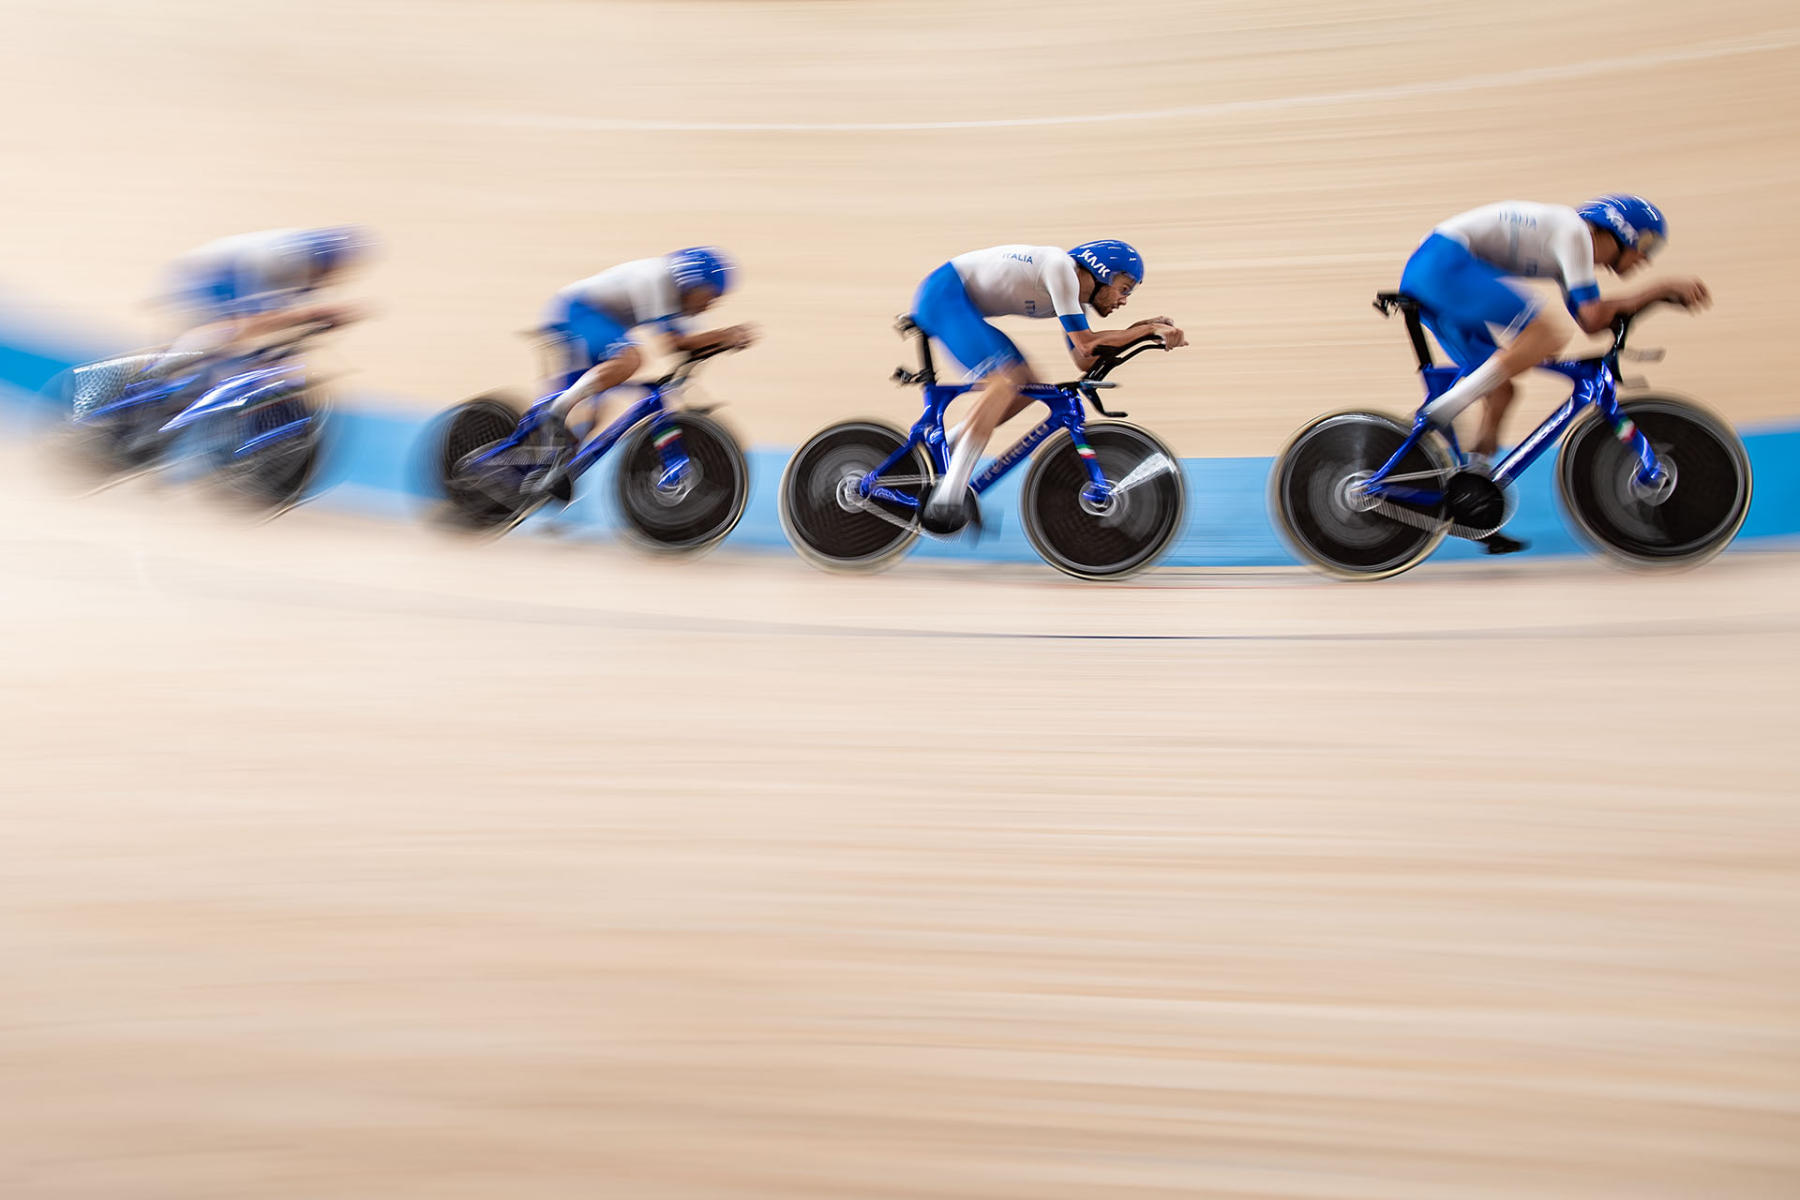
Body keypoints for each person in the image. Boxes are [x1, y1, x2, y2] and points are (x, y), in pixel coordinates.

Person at [1397, 195, 1710, 553]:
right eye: (1647, 247)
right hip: (1443, 265)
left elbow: (1591, 321)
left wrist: (1650, 301)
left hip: (1436, 269)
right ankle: (1445, 409)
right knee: (1546, 335)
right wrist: (1661, 290)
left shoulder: (1569, 251)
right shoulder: (1575, 232)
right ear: (1624, 231)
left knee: (1502, 391)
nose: (1645, 260)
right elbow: (1593, 317)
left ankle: (1469, 499)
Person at [910, 240, 1186, 533]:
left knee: (1026, 384)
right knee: (1005, 382)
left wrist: (1138, 334)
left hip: (958, 303)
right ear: (1103, 271)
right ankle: (949, 497)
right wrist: (1147, 330)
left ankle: (949, 443)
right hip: (944, 296)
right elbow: (1087, 342)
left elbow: (1084, 359)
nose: (1124, 300)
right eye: (1125, 288)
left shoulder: (1074, 297)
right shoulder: (1061, 269)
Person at [540, 247, 755, 450]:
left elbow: (691, 348)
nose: (710, 305)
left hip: (601, 325)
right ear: (693, 283)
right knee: (630, 359)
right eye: (710, 296)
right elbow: (674, 343)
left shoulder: (682, 301)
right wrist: (724, 336)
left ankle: (540, 467)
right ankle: (557, 409)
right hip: (579, 311)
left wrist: (720, 343)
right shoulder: (657, 278)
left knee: (585, 422)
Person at [166, 226, 372, 358]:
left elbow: (287, 315)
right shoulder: (282, 259)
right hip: (205, 279)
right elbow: (257, 317)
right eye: (328, 270)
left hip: (238, 278)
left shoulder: (312, 270)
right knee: (230, 332)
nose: (330, 276)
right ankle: (164, 368)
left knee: (248, 342)